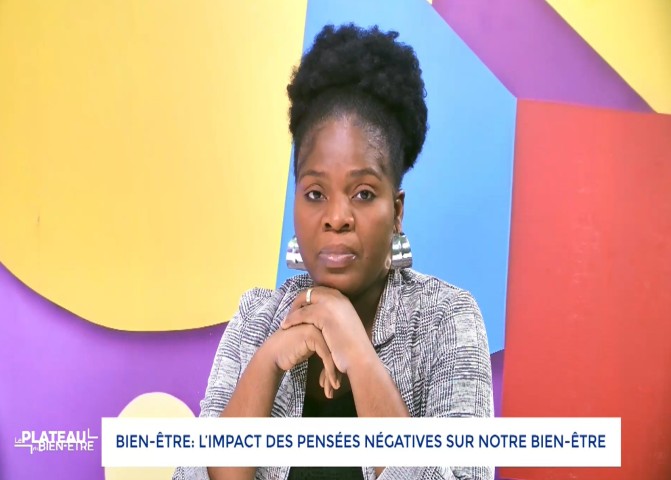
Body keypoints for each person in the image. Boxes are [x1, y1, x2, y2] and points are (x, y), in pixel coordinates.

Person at [174, 23, 493, 480]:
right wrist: (267, 363)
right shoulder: (257, 319)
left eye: (363, 193)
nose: (337, 217)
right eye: (315, 194)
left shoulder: (446, 319)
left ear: (396, 211)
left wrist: (357, 353)